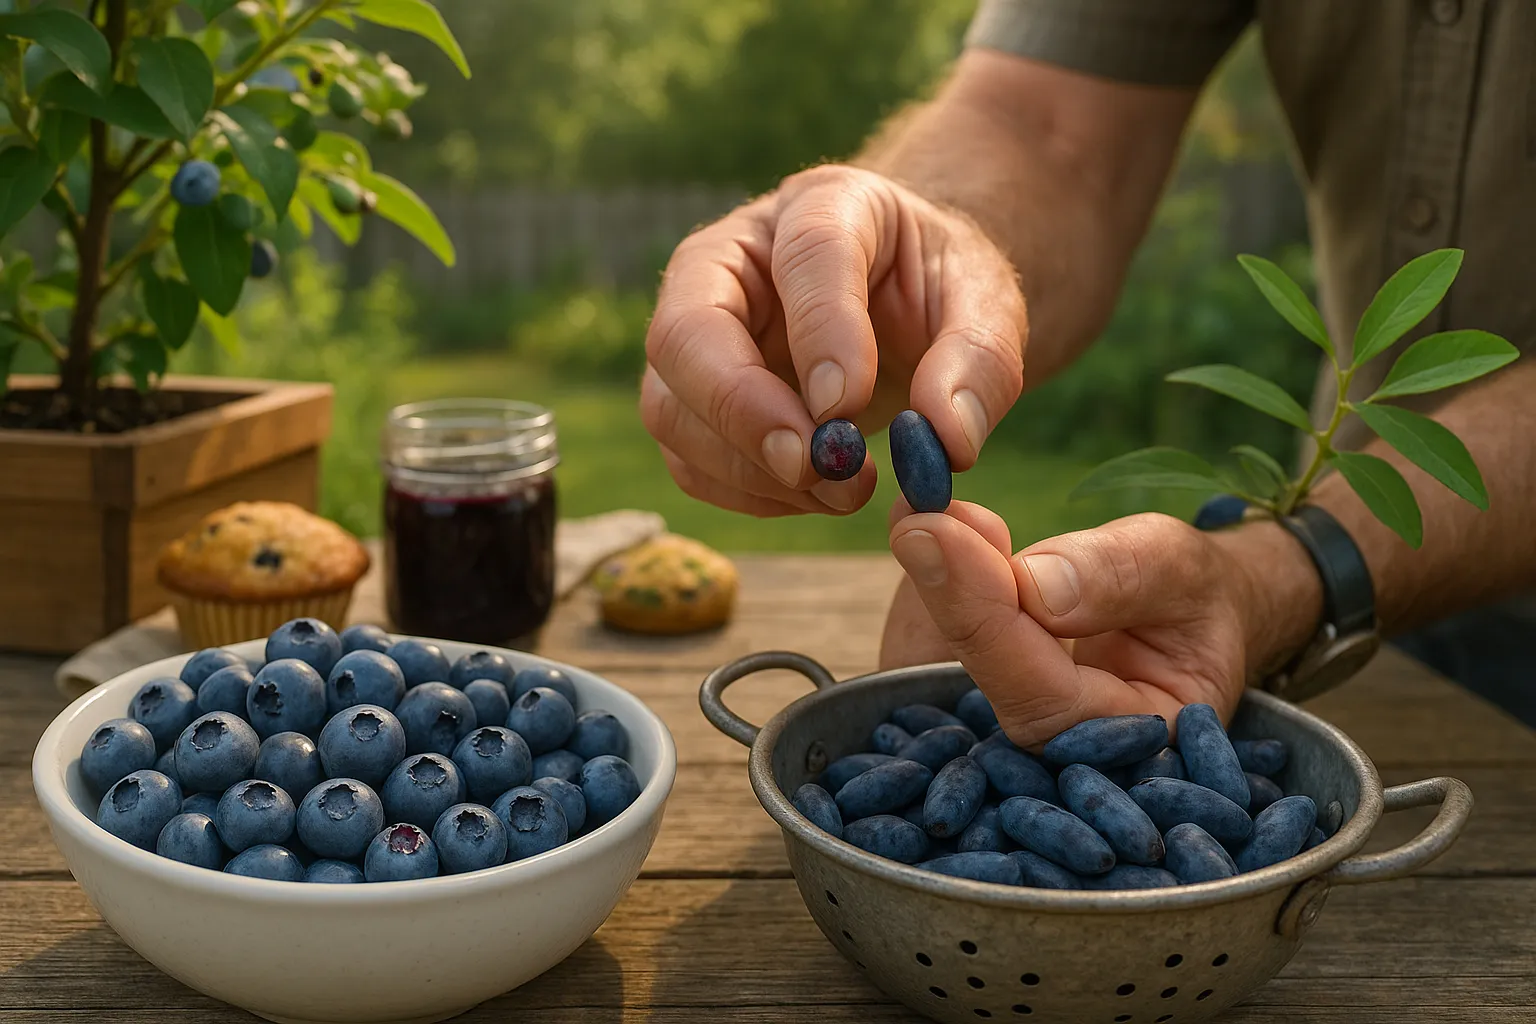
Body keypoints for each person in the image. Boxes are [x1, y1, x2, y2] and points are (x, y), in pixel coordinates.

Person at [640, 1, 1536, 740]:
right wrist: (931, 241)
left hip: (1362, 581)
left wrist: (1298, 567)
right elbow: (1049, 124)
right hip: (1349, 648)